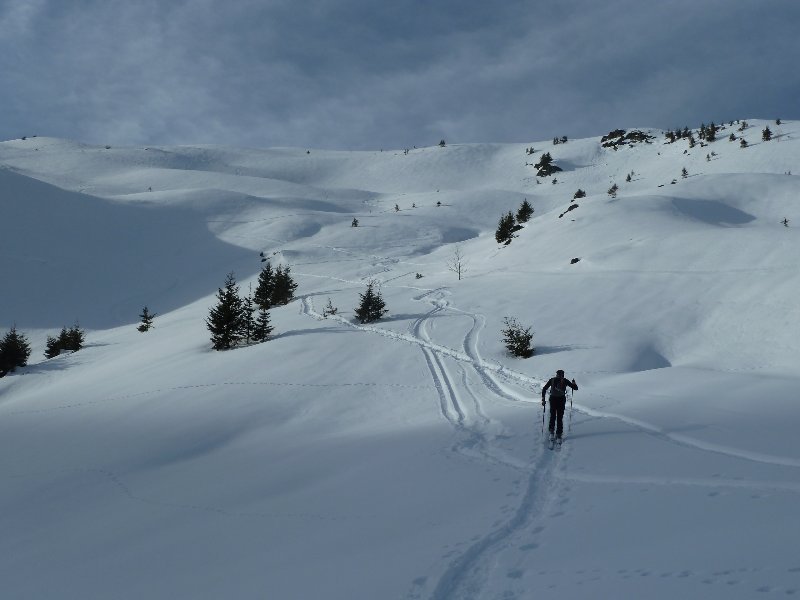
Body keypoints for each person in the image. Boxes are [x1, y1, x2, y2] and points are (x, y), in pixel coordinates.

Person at [541, 369, 578, 441]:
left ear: (556, 374)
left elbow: (544, 389)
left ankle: (552, 432)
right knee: (559, 417)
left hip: (553, 399)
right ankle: (559, 434)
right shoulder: (565, 380)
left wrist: (543, 399)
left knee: (553, 416)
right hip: (561, 399)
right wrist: (574, 383)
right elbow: (575, 388)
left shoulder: (552, 380)